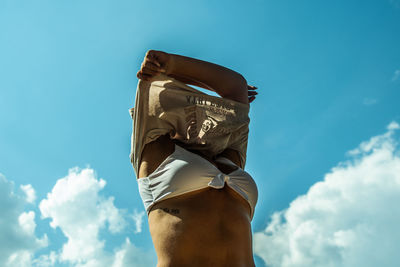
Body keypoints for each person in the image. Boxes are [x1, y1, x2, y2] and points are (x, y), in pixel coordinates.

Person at [131, 50, 258, 267]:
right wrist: (167, 68)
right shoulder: (154, 152)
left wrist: (170, 65)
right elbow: (236, 88)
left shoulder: (225, 158)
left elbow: (235, 86)